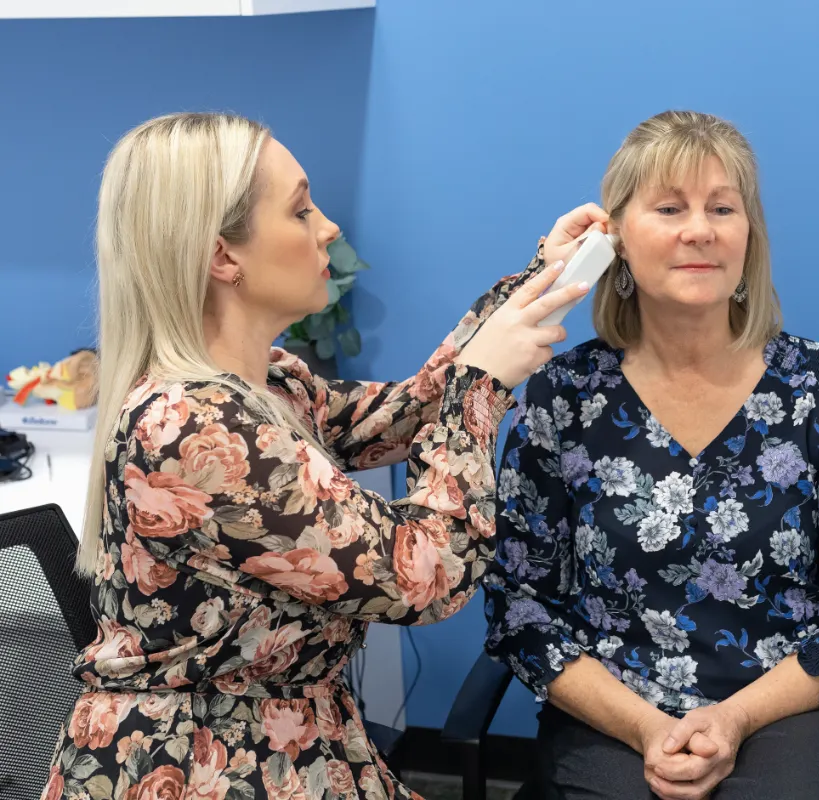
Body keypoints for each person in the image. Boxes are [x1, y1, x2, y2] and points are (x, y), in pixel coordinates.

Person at [38, 111, 603, 800]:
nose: (328, 228)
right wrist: (480, 389)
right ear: (224, 257)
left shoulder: (268, 384)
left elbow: (403, 413)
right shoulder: (190, 430)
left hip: (293, 744)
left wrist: (539, 282)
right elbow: (422, 574)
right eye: (301, 210)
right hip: (204, 768)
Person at [483, 110, 819, 800]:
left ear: (750, 237)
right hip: (616, 714)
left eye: (722, 207)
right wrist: (646, 729)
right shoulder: (561, 397)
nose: (700, 229)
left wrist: (736, 717)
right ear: (615, 240)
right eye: (669, 207)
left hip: (796, 708)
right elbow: (521, 609)